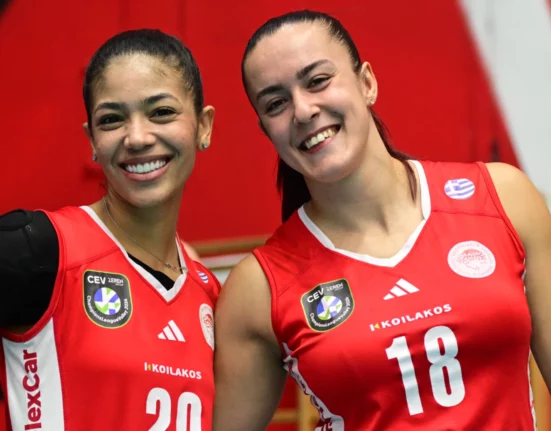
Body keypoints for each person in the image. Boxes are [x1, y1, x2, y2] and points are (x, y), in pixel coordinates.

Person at [213, 9, 551, 430]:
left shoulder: (502, 198)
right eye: (276, 103)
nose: (302, 110)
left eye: (318, 80)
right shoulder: (259, 288)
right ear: (267, 131)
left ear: (367, 83)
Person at [0, 29, 219, 430]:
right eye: (112, 119)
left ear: (203, 126)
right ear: (93, 140)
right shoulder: (38, 249)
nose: (137, 137)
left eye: (161, 112)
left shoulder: (210, 293)